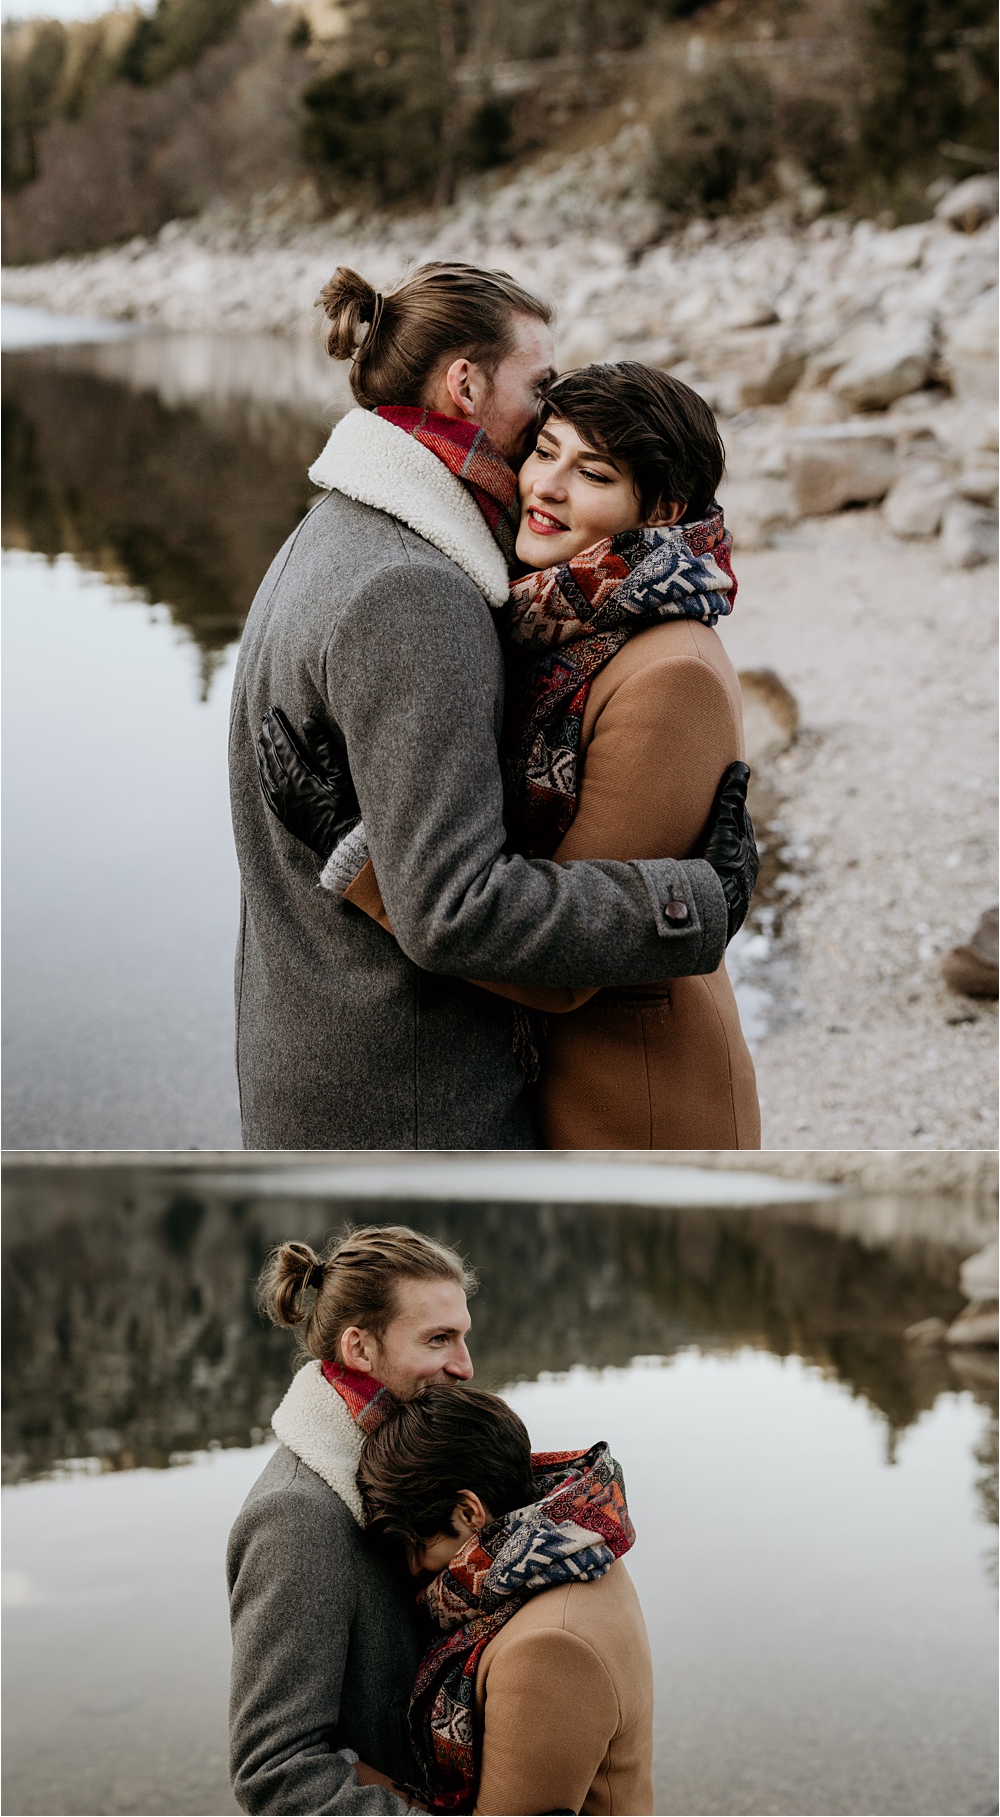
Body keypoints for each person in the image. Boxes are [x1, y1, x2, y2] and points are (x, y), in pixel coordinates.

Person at [231, 261, 757, 1148]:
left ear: (657, 509)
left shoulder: (339, 531)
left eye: (590, 468)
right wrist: (701, 901)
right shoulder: (418, 587)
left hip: (625, 1096)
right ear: (466, 383)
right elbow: (460, 904)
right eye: (544, 412)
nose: (543, 476)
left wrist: (697, 903)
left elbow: (494, 921)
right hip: (405, 1095)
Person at [227, 1222, 475, 1815]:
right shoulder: (298, 1516)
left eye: (464, 1337)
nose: (465, 1365)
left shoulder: (404, 1467)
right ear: (359, 1348)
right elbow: (278, 1771)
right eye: (438, 1339)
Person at [357, 1384, 654, 1816]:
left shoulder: (548, 1648)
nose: (415, 1571)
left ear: (468, 1511)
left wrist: (338, 1769)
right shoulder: (572, 1548)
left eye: (415, 1545)